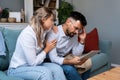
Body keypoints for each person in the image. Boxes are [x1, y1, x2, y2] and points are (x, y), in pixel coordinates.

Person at [7, 7, 66, 80]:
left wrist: (53, 25)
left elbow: (54, 30)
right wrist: (46, 49)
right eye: (51, 20)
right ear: (43, 19)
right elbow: (33, 63)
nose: (53, 22)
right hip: (18, 69)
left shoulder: (44, 30)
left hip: (32, 66)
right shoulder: (28, 35)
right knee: (45, 72)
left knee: (57, 69)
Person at [47, 11, 90, 80]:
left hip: (64, 57)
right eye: (76, 28)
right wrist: (70, 62)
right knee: (69, 69)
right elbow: (53, 58)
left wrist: (82, 40)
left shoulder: (73, 34)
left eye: (79, 30)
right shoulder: (54, 33)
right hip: (50, 60)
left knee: (88, 63)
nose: (77, 32)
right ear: (68, 22)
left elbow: (76, 53)